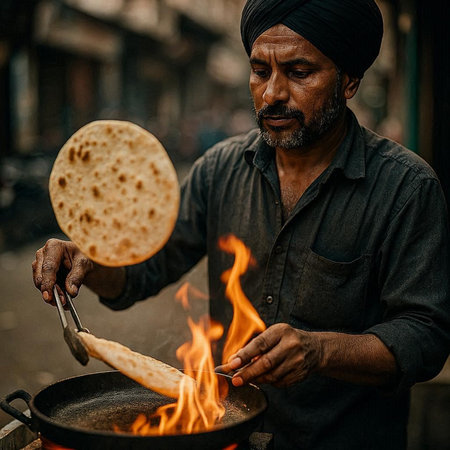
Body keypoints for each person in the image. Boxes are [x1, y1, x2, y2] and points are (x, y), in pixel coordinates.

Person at [32, 0, 450, 448]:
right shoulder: (219, 170)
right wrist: (90, 265)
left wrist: (320, 351)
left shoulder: (406, 188)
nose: (272, 94)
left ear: (349, 80)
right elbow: (141, 273)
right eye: (260, 70)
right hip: (226, 436)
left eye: (299, 72)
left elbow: (424, 336)